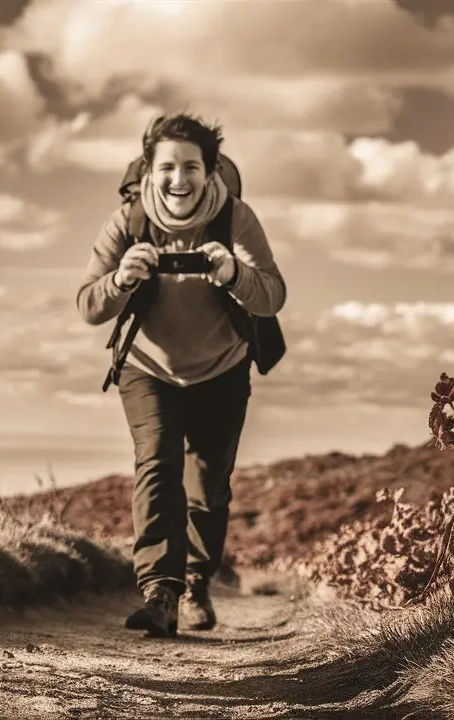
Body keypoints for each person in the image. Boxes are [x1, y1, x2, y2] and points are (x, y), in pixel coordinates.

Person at [75, 112, 286, 637]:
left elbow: (274, 294)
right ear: (149, 169)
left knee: (208, 488)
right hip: (148, 369)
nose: (178, 178)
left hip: (223, 370)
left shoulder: (235, 217)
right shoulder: (127, 220)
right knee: (157, 465)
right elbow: (88, 304)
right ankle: (160, 591)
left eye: (191, 166)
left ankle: (196, 582)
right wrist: (121, 278)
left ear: (210, 170)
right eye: (167, 166)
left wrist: (234, 272)